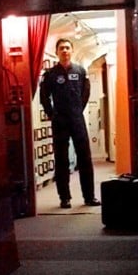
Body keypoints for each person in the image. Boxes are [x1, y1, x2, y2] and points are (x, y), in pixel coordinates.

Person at [39, 38, 100, 208]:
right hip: (59, 121)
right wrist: (52, 114)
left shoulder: (80, 71)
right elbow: (44, 97)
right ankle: (64, 197)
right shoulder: (50, 74)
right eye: (61, 48)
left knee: (85, 158)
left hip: (77, 119)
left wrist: (77, 110)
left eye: (67, 48)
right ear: (57, 52)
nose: (65, 51)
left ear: (72, 51)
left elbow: (86, 92)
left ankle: (89, 197)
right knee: (61, 159)